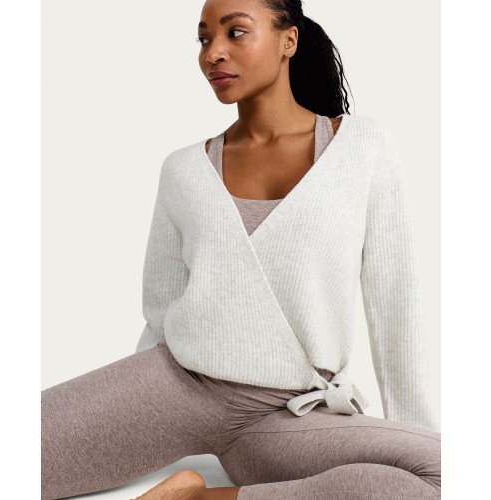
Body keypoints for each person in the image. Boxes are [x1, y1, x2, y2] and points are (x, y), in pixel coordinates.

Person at [41, 1, 441, 499]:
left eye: (235, 32)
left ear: (288, 40)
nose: (213, 53)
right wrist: (130, 415)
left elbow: (396, 302)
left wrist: (409, 436)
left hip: (284, 416)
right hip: (176, 386)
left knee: (446, 472)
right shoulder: (184, 170)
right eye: (204, 38)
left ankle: (199, 498)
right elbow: (161, 309)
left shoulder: (364, 147)